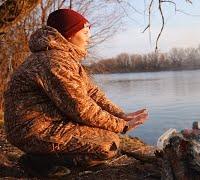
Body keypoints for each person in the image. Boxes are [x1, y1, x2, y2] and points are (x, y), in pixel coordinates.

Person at [4, 9, 148, 169]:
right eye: (85, 32)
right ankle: (37, 162)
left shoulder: (64, 58)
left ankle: (44, 157)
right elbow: (81, 108)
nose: (89, 38)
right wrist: (121, 125)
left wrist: (120, 114)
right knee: (107, 146)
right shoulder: (54, 62)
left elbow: (92, 92)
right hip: (31, 131)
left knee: (110, 137)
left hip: (48, 123)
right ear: (69, 34)